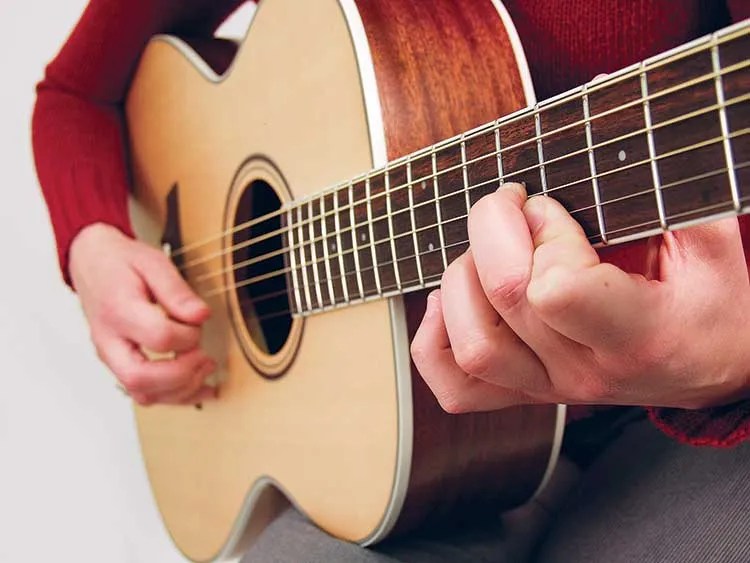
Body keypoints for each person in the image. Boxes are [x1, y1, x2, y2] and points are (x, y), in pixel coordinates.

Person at [32, 1, 750, 561]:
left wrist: (730, 359)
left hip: (692, 422)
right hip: (408, 466)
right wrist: (92, 244)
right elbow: (74, 95)